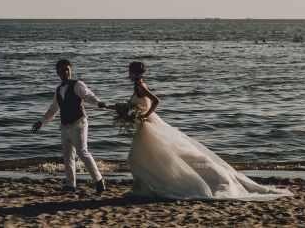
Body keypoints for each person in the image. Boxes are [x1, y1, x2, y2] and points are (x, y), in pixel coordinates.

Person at [116, 61, 291, 201]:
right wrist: (115, 108)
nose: (128, 74)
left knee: (137, 159)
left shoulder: (141, 86)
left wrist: (145, 116)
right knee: (146, 159)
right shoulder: (137, 87)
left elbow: (156, 101)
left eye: (129, 72)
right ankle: (145, 188)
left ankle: (146, 189)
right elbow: (132, 106)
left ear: (134, 73)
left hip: (148, 126)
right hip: (144, 128)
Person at [32, 59, 108, 195]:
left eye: (67, 69)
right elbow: (53, 109)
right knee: (68, 156)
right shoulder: (58, 90)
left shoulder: (77, 85)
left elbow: (88, 96)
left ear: (70, 70)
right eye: (62, 70)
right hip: (64, 125)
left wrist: (98, 103)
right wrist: (41, 122)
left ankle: (99, 180)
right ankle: (70, 184)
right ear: (58, 73)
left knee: (82, 152)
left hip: (79, 123)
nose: (66, 72)